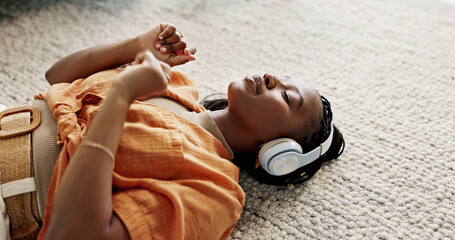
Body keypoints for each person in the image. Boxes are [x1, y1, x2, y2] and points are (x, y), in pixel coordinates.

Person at [0, 23, 344, 240]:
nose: (271, 77)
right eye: (280, 75)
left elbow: (75, 234)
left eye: (286, 96)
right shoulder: (173, 83)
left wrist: (122, 96)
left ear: (278, 151)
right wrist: (134, 46)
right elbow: (56, 76)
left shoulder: (214, 192)